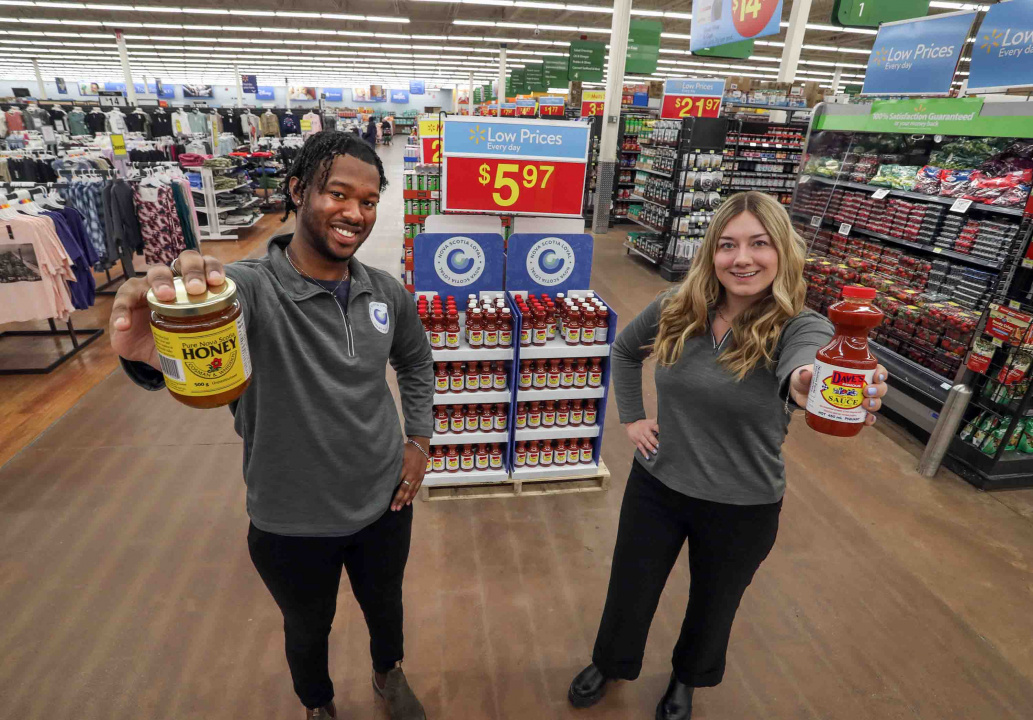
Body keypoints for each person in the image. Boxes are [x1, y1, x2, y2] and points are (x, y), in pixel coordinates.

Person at [109, 131, 433, 720]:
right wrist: (153, 350)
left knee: (386, 605)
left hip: (385, 501)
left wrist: (418, 439)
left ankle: (388, 673)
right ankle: (318, 705)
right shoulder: (249, 291)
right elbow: (202, 347)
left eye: (368, 201)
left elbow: (414, 359)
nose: (354, 213)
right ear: (298, 191)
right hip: (291, 518)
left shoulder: (384, 291)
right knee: (308, 626)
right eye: (338, 193)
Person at [568, 191, 888, 719]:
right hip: (659, 485)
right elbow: (625, 350)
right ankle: (610, 662)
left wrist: (812, 384)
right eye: (728, 245)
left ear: (782, 251)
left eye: (759, 244)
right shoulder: (677, 306)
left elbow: (804, 370)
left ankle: (685, 681)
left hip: (743, 503)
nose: (742, 258)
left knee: (714, 605)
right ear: (710, 254)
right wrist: (632, 417)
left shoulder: (799, 326)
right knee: (630, 586)